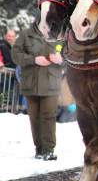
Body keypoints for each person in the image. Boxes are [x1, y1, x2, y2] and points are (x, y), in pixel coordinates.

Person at [12, 24, 63, 160]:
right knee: (34, 118)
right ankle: (39, 149)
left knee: (49, 116)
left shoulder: (59, 35)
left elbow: (70, 55)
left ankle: (49, 150)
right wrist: (33, 60)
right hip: (30, 84)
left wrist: (61, 60)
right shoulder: (25, 35)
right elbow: (15, 55)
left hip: (51, 84)